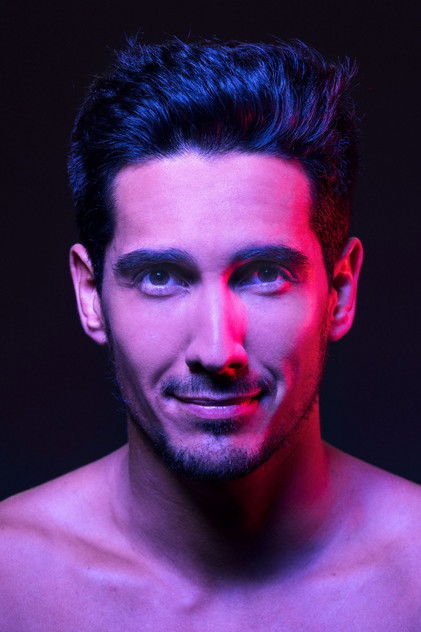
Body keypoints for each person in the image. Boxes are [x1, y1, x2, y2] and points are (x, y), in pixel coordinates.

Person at [0, 38, 420, 631]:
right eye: (160, 278)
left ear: (341, 290)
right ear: (90, 295)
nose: (217, 350)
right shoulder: (10, 582)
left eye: (265, 275)